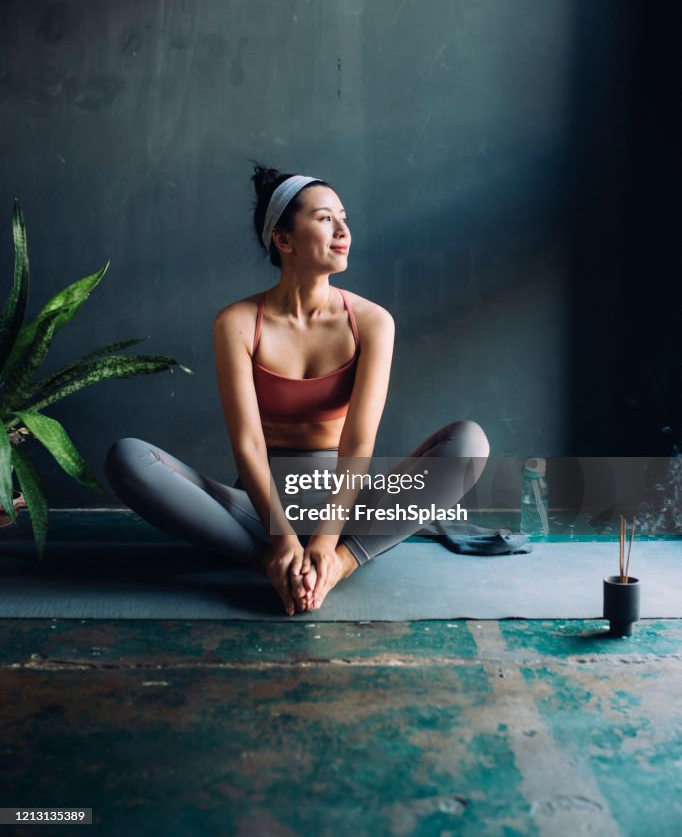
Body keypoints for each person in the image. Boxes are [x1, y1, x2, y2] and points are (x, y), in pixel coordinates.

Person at [104, 166, 490, 616]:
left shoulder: (372, 321)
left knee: (469, 443)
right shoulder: (237, 323)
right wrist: (283, 541)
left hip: (349, 513)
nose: (343, 230)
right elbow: (247, 443)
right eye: (325, 219)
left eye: (344, 217)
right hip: (257, 511)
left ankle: (340, 565)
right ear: (283, 241)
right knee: (127, 458)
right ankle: (274, 563)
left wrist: (328, 544)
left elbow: (358, 441)